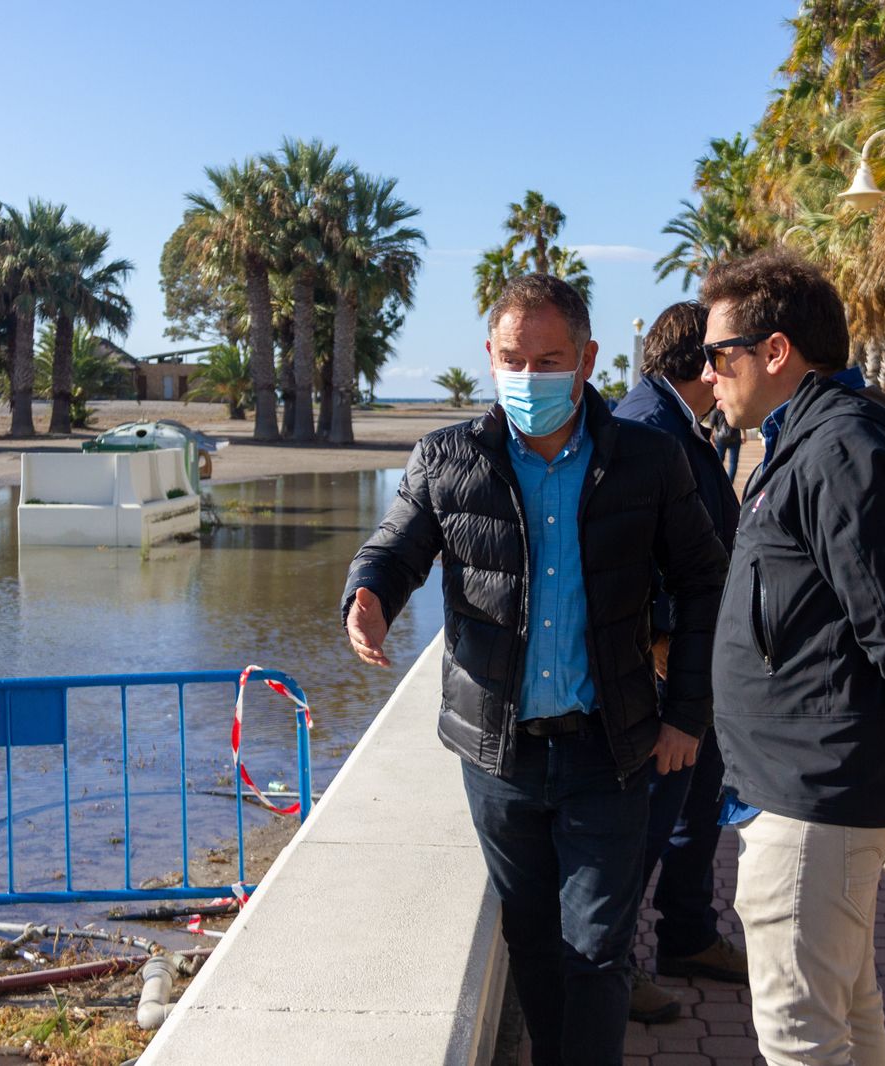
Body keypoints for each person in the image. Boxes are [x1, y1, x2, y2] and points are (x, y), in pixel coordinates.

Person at [341, 273, 728, 1066]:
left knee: (596, 953)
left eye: (549, 359)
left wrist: (688, 712)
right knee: (535, 948)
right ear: (489, 356)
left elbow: (704, 580)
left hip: (610, 751)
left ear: (587, 359)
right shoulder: (448, 458)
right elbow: (397, 546)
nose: (528, 377)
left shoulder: (648, 460)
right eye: (512, 359)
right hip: (501, 759)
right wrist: (369, 595)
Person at [704, 250, 885, 1066]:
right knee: (849, 1026)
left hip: (815, 795)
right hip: (810, 784)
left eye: (721, 355)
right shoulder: (818, 439)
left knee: (802, 1038)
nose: (710, 374)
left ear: (775, 351)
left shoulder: (837, 449)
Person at [612, 302, 746, 1024]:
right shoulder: (646, 427)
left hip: (700, 662)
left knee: (698, 807)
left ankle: (688, 935)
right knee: (650, 819)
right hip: (665, 670)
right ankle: (617, 966)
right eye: (731, 354)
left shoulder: (676, 423)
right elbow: (629, 557)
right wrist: (666, 647)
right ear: (706, 362)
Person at [711, 409, 742, 482]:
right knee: (733, 463)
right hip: (735, 438)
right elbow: (741, 423)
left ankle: (718, 482)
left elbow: (711, 427)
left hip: (720, 439)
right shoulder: (734, 408)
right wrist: (744, 434)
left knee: (719, 462)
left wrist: (712, 439)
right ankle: (729, 483)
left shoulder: (715, 411)